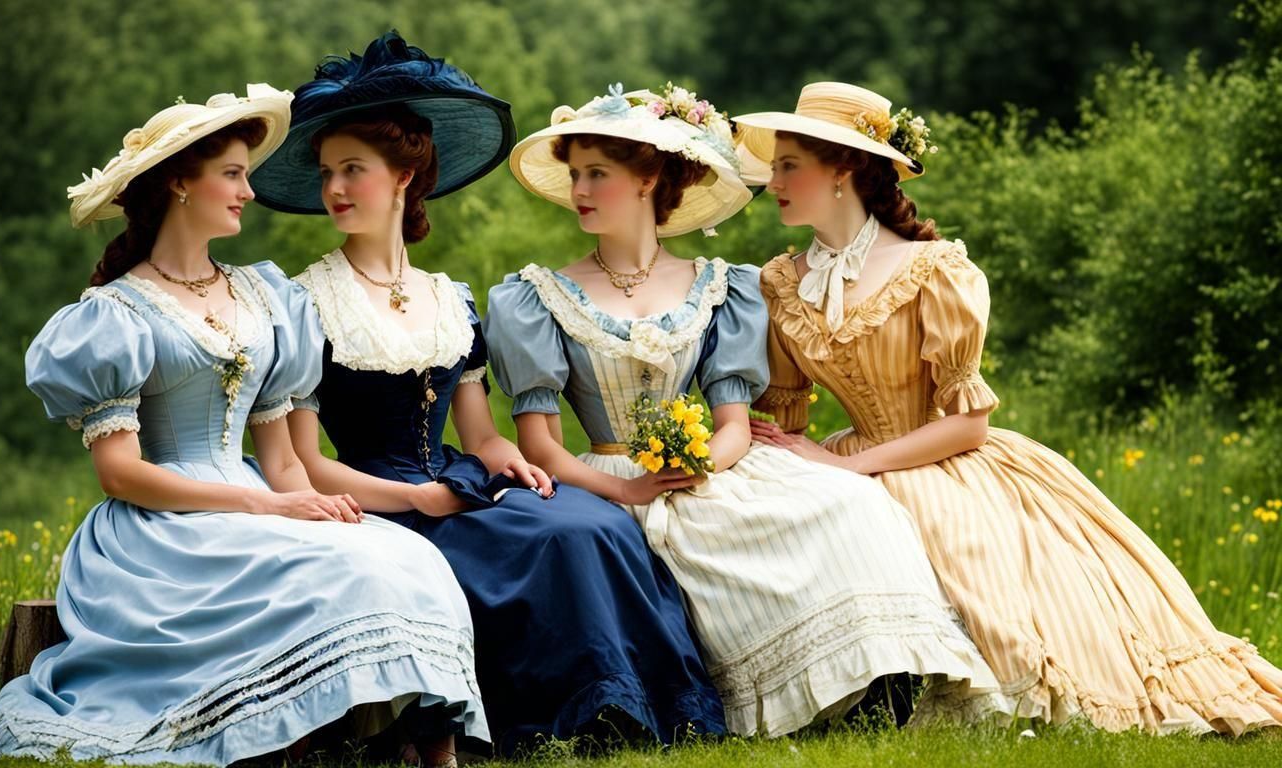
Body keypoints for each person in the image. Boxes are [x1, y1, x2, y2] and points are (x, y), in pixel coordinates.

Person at [737, 81, 1282, 735]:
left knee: (960, 551)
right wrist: (784, 467)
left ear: (846, 167)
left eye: (789, 164)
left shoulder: (932, 270)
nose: (773, 182)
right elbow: (785, 414)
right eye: (775, 167)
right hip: (849, 458)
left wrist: (850, 468)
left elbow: (967, 424)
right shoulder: (780, 283)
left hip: (943, 458)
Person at [0, 85, 486, 767]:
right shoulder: (116, 313)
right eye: (234, 175)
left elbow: (281, 460)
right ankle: (281, 739)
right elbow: (121, 474)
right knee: (339, 573)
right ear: (181, 183)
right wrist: (267, 504)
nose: (249, 192)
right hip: (164, 524)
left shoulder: (264, 296)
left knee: (404, 556)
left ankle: (435, 752)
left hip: (258, 501)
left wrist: (303, 502)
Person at [251, 34, 725, 755]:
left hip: (458, 481)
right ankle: (553, 717)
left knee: (588, 521)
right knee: (556, 539)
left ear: (407, 174)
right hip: (373, 498)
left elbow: (482, 437)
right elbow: (308, 464)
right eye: (327, 173)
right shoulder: (308, 303)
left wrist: (517, 464)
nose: (336, 189)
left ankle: (632, 711)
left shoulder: (448, 300)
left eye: (354, 170)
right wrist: (416, 498)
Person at [486, 82, 1006, 737]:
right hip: (601, 469)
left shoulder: (720, 286)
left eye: (598, 174)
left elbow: (732, 422)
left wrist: (700, 463)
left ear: (648, 181)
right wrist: (633, 485)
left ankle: (878, 679)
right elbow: (540, 445)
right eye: (576, 175)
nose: (580, 190)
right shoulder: (537, 297)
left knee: (848, 502)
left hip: (704, 464)